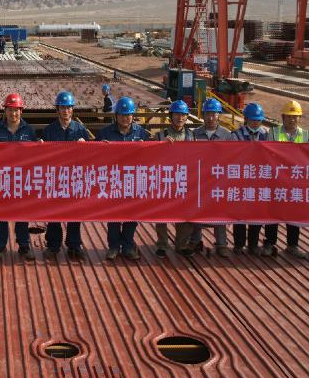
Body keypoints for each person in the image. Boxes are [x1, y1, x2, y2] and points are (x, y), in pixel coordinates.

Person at [40, 90, 92, 261]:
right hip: (55, 178)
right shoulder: (49, 130)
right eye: (62, 107)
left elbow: (92, 154)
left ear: (72, 110)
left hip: (75, 178)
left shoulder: (80, 130)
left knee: (75, 213)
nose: (66, 111)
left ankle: (74, 245)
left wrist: (87, 145)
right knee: (54, 213)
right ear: (57, 109)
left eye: (68, 107)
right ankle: (53, 246)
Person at [98, 97, 150, 261]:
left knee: (131, 215)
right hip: (113, 180)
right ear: (116, 115)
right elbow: (92, 154)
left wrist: (147, 147)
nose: (125, 118)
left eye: (128, 115)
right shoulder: (105, 133)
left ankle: (128, 246)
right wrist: (100, 147)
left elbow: (154, 154)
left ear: (133, 116)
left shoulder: (141, 133)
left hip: (134, 181)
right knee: (113, 216)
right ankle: (113, 247)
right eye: (122, 115)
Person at [0, 92, 37, 261]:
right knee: (1, 214)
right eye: (10, 110)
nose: (13, 113)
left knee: (22, 214)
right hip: (2, 178)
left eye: (16, 110)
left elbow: (37, 154)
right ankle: (1, 247)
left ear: (21, 111)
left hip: (22, 179)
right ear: (5, 111)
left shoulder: (29, 130)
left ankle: (24, 246)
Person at [189, 98, 234, 256]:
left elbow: (235, 157)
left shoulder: (228, 136)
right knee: (197, 208)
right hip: (200, 180)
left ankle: (221, 243)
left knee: (219, 210)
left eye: (213, 114)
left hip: (219, 180)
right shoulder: (195, 134)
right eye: (207, 114)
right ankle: (195, 240)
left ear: (219, 116)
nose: (210, 118)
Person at [153, 100, 195, 258]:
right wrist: (160, 145)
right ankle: (162, 245)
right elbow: (150, 155)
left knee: (186, 213)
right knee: (161, 213)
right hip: (165, 179)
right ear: (171, 116)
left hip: (186, 179)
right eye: (177, 114)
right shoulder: (160, 135)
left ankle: (181, 244)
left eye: (183, 115)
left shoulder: (192, 135)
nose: (180, 118)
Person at [268, 100, 309, 258]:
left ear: (299, 118)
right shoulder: (273, 133)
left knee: (294, 214)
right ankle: (269, 243)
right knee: (273, 214)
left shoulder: (306, 135)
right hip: (276, 181)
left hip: (295, 183)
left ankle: (292, 245)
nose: (292, 120)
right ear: (283, 117)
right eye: (289, 116)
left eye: (295, 117)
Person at [231, 102, 271, 254]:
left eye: (258, 119)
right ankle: (239, 244)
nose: (255, 122)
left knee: (257, 212)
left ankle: (253, 244)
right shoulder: (236, 135)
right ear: (245, 118)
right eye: (252, 119)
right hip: (241, 179)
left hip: (260, 180)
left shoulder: (267, 134)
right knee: (240, 213)